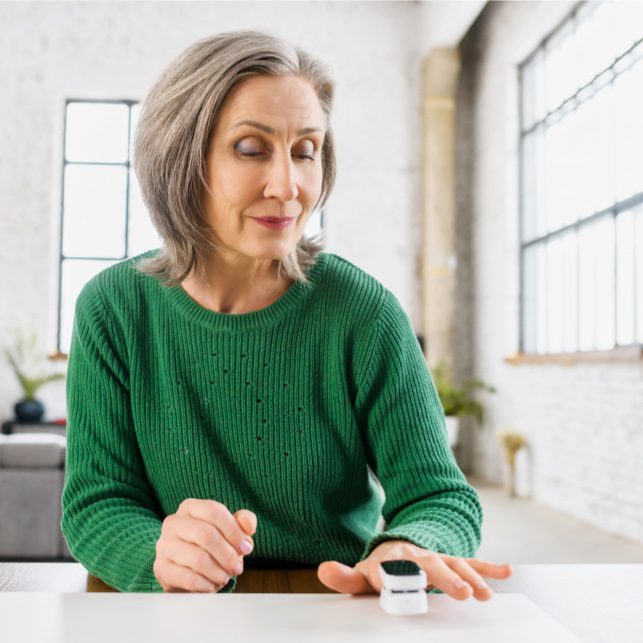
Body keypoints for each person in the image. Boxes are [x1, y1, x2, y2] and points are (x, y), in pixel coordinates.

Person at [61, 30, 512, 598]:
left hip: (334, 606)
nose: (289, 185)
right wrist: (158, 557)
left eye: (306, 151)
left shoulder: (362, 312)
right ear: (180, 159)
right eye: (251, 149)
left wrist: (405, 546)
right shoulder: (113, 309)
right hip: (180, 618)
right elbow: (97, 502)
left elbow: (440, 497)